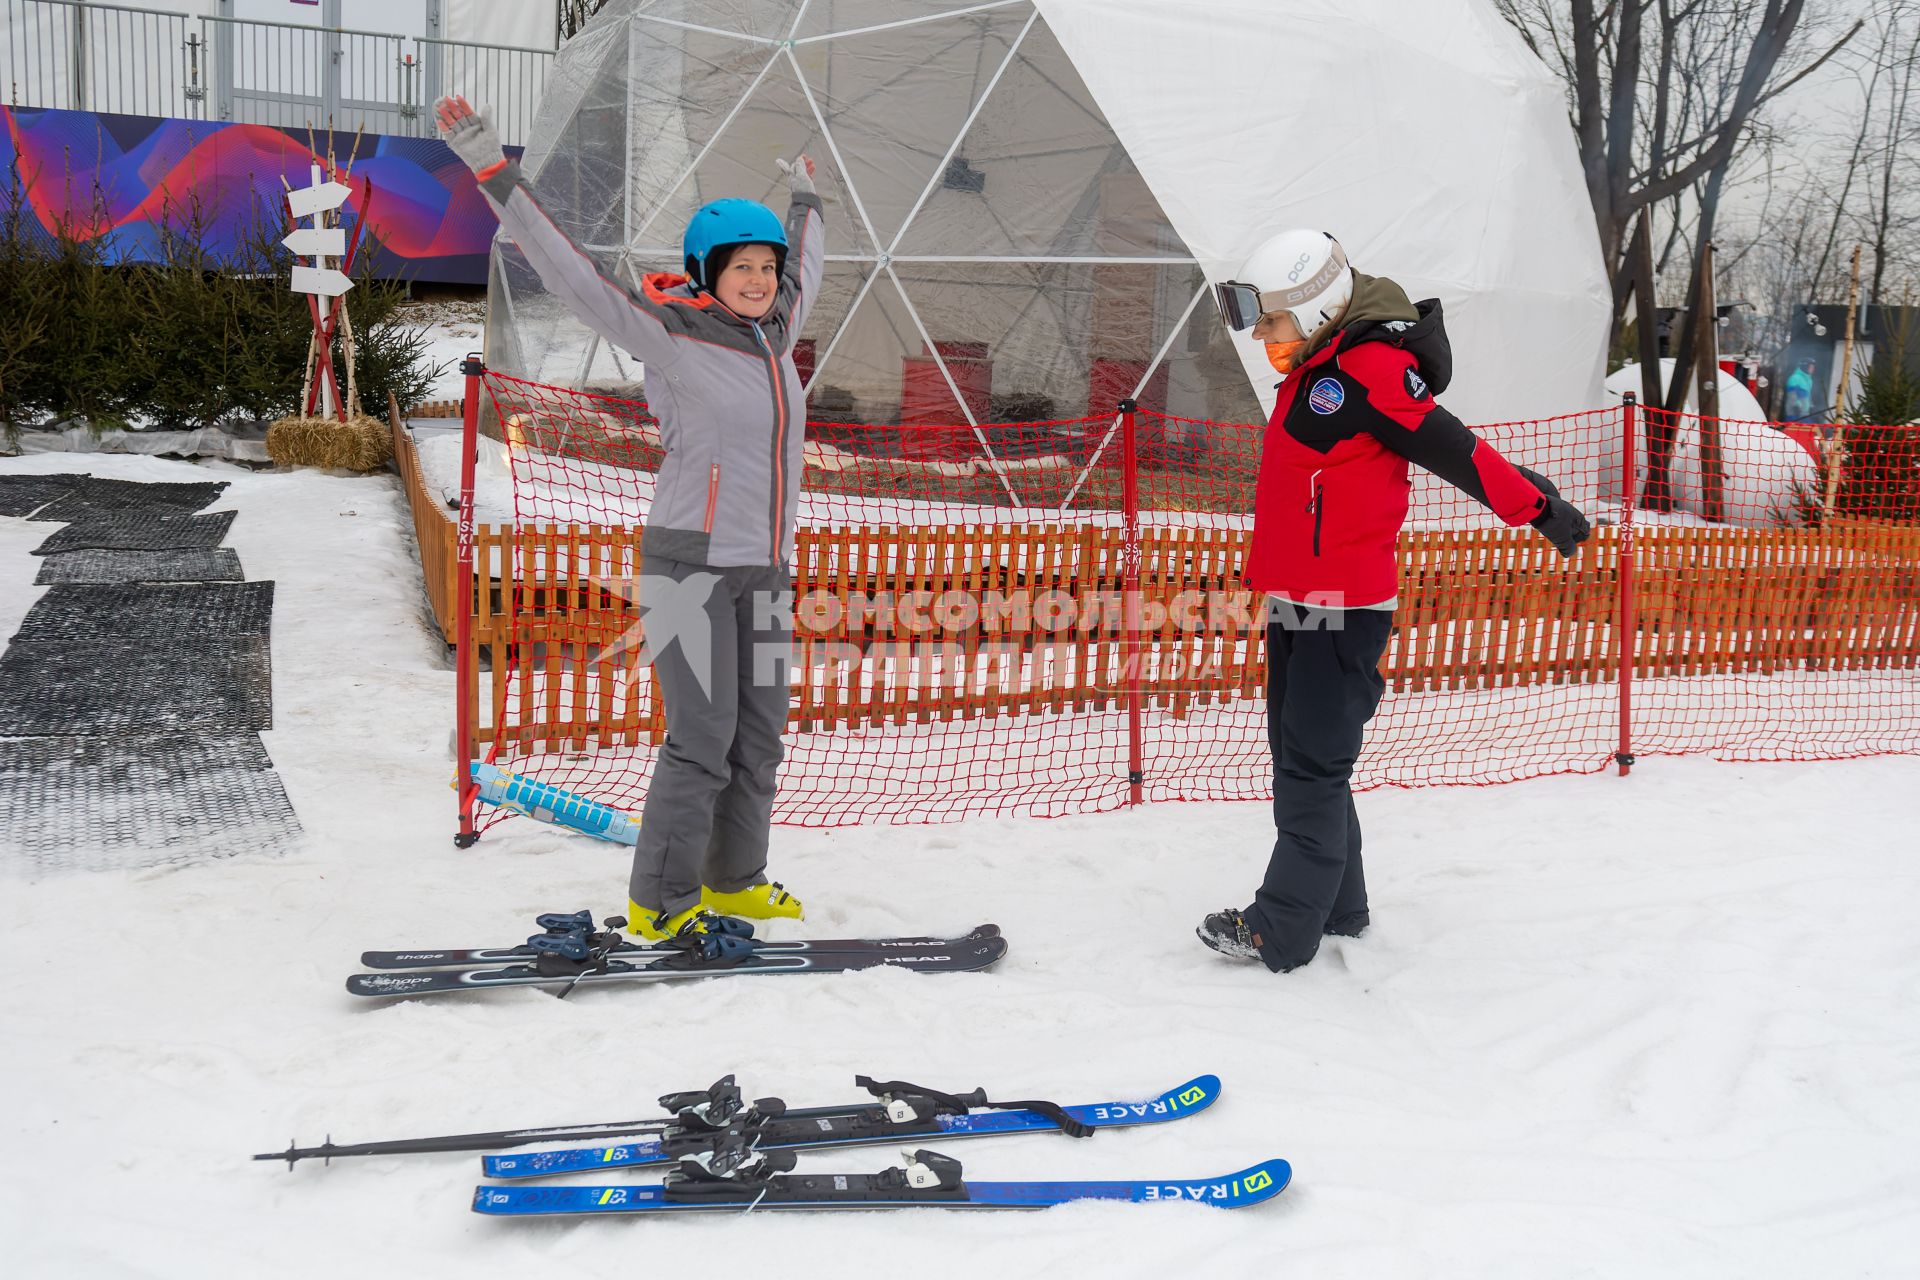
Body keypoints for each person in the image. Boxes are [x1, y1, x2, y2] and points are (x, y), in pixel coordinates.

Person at [435, 95, 823, 954]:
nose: (759, 279)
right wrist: (494, 171)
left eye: (766, 266)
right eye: (742, 267)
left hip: (763, 571)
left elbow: (811, 270)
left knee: (759, 736)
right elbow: (572, 273)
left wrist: (807, 204)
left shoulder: (776, 338)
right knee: (703, 737)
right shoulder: (671, 335)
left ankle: (737, 880)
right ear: (707, 273)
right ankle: (660, 899)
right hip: (688, 566)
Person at [1200, 229, 1591, 973]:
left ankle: (1280, 930)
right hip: (1299, 600)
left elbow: (1459, 450)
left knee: (1309, 769)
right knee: (1303, 759)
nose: (1265, 339)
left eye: (1273, 321)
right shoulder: (1320, 368)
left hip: (1342, 610)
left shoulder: (1368, 373)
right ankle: (1341, 907)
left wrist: (1539, 507)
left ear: (1315, 309)